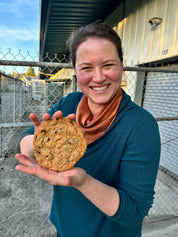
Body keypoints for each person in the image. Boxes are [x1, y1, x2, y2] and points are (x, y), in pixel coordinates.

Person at [15, 22, 161, 237]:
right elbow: (27, 138)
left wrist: (83, 182)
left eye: (108, 65)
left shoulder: (140, 125)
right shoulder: (69, 104)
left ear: (122, 66)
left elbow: (135, 212)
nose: (99, 77)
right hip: (63, 230)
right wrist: (35, 144)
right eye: (87, 67)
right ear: (75, 71)